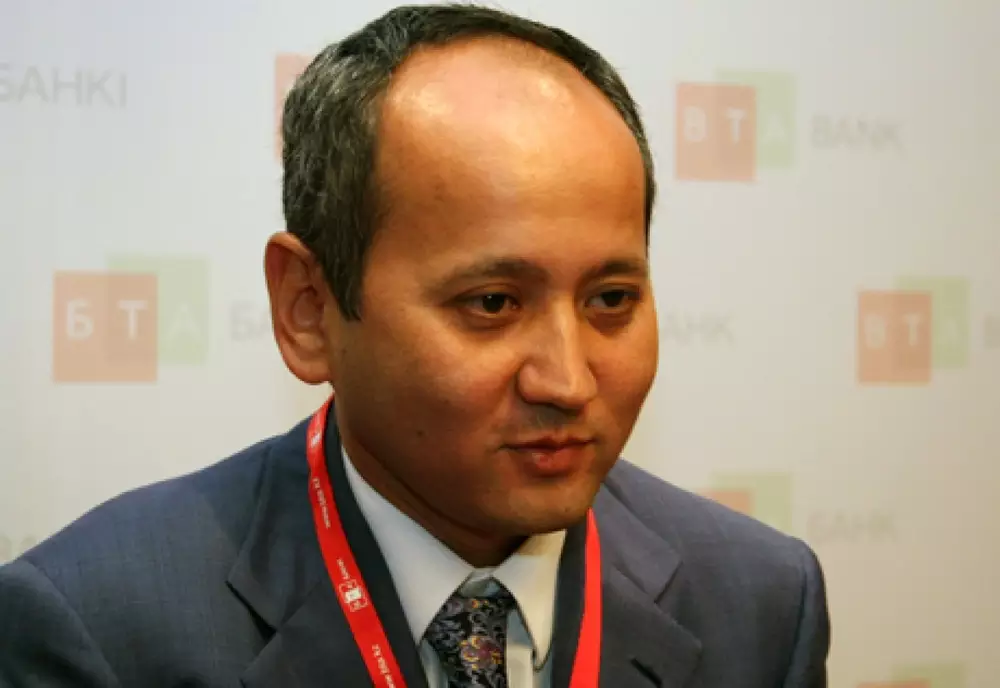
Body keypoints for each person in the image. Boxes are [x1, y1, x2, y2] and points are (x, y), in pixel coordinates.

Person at [0, 4, 830, 687]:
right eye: (492, 304)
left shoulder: (762, 602)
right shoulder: (97, 628)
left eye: (611, 300)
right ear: (309, 310)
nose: (569, 380)